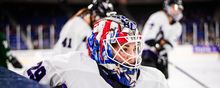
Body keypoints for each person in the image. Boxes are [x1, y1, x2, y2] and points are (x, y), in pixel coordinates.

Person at [23, 14, 168, 88]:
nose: (133, 55)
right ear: (102, 49)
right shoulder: (68, 67)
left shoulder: (155, 80)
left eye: (136, 48)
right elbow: (20, 82)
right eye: (125, 48)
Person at [141, 0, 184, 79]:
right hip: (148, 53)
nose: (177, 10)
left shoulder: (178, 26)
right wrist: (157, 45)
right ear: (167, 6)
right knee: (149, 78)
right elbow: (147, 38)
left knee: (163, 78)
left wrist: (162, 49)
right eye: (175, 7)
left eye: (179, 8)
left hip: (162, 55)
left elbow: (171, 44)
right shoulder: (157, 17)